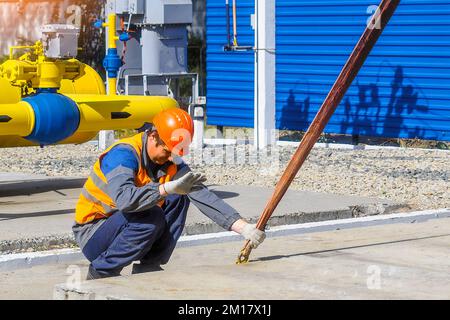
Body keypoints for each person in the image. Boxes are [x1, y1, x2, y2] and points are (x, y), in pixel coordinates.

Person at [72, 108, 266, 280]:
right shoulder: (122, 155)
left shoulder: (170, 161)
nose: (171, 156)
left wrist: (243, 228)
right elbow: (125, 200)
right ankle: (101, 272)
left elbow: (202, 194)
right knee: (155, 212)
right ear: (153, 136)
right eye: (167, 150)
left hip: (123, 225)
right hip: (94, 234)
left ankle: (149, 266)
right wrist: (165, 188)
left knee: (180, 196)